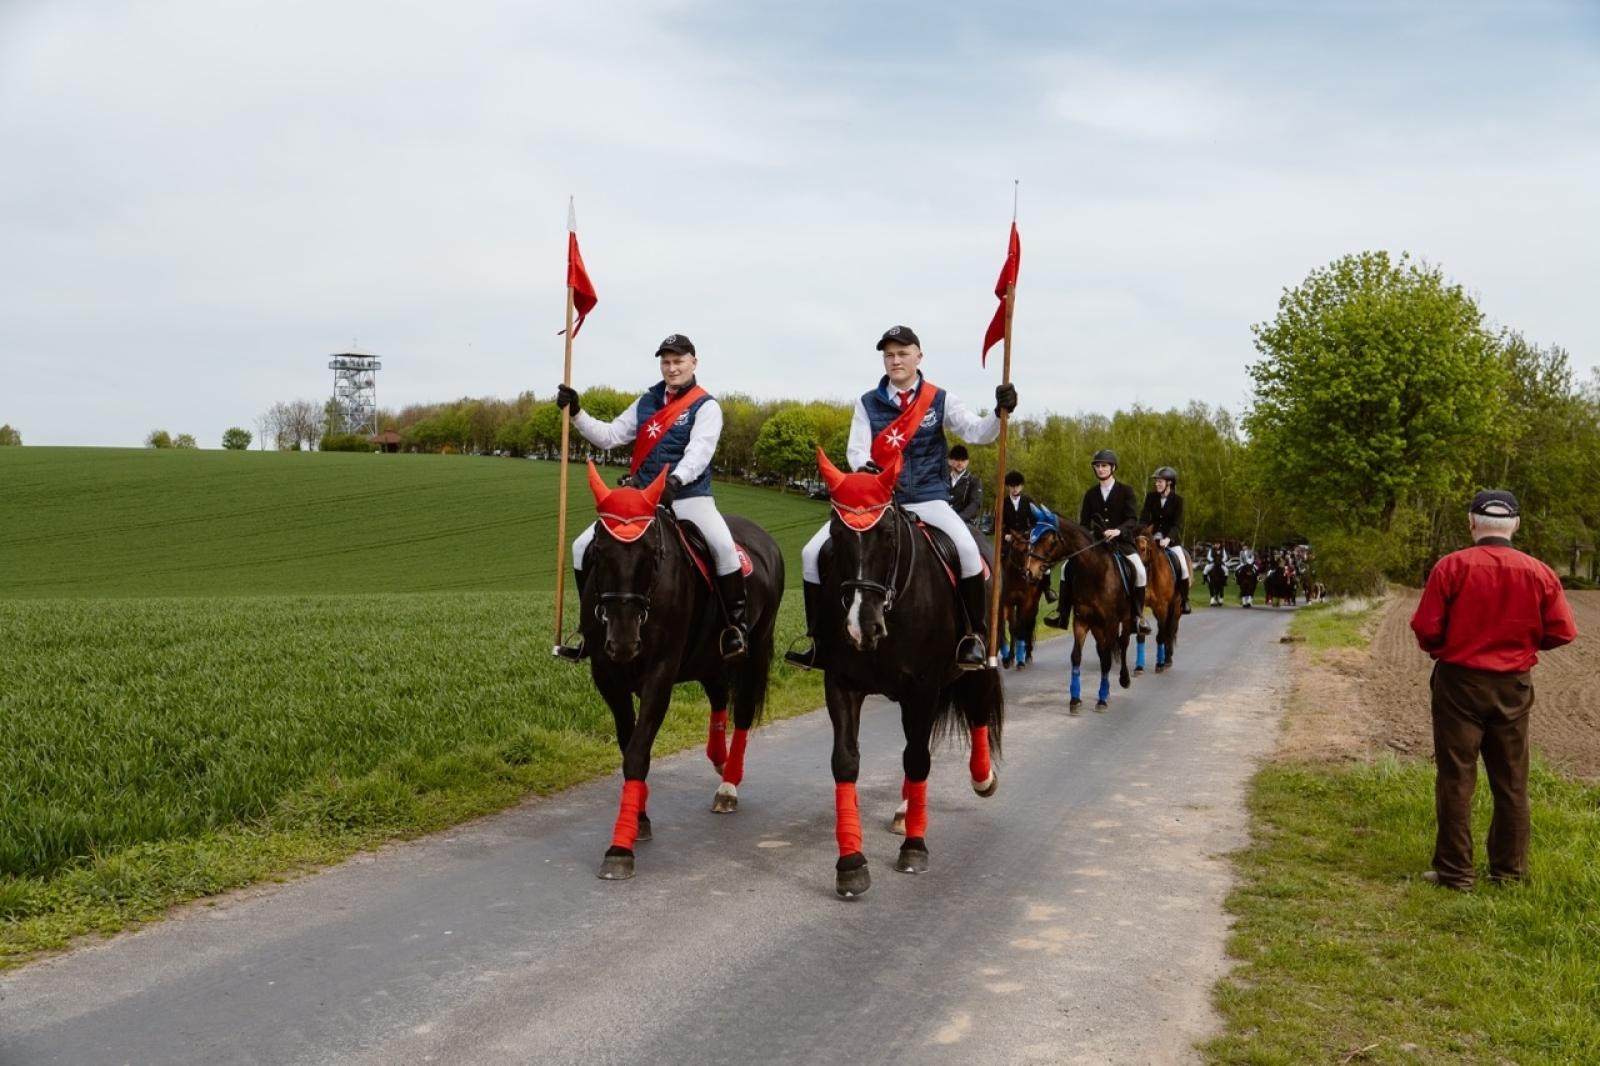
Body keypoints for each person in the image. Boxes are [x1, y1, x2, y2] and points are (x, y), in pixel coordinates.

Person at [787, 325, 1018, 670]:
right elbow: (856, 450)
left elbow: (975, 431)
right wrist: (868, 470)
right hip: (880, 500)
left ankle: (974, 636)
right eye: (889, 355)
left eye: (902, 353)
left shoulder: (940, 399)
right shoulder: (867, 403)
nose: (895, 361)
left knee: (969, 552)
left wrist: (1000, 414)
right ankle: (819, 641)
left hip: (928, 497)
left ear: (918, 356)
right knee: (810, 553)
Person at [1408, 489, 1577, 890]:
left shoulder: (1451, 567)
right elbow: (1563, 631)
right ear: (1516, 524)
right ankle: (1509, 873)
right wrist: (1523, 648)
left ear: (1471, 522)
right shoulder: (1539, 572)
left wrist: (1446, 649)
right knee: (1512, 781)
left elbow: (1426, 627)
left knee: (1456, 778)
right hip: (1513, 687)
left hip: (1458, 684)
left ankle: (1455, 873)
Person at [553, 333, 748, 662]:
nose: (672, 368)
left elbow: (700, 451)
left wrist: (675, 480)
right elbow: (611, 436)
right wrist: (577, 413)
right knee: (580, 546)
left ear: (693, 363)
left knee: (724, 548)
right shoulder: (646, 401)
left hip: (687, 496)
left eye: (678, 361)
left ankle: (735, 628)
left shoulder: (706, 405)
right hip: (641, 502)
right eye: (666, 362)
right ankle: (591, 627)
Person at [1047, 448, 1146, 633]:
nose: (1100, 469)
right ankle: (1062, 613)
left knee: (1140, 571)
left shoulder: (1126, 491)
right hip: (1096, 544)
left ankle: (1138, 616)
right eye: (1097, 466)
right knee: (1065, 569)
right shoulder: (1090, 494)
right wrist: (1091, 536)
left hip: (1122, 542)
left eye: (1104, 466)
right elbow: (1084, 523)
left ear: (1113, 468)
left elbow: (1132, 519)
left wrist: (1118, 530)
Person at [1140, 465, 1193, 614]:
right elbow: (1144, 518)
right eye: (1156, 482)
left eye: (1160, 482)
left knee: (1183, 567)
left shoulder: (1177, 500)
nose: (1157, 484)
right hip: (1151, 540)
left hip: (1171, 541)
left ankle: (1185, 599)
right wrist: (1142, 532)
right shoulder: (1151, 497)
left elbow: (1177, 524)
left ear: (1169, 483)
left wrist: (1168, 539)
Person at [1001, 470, 1056, 603]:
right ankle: (998, 586)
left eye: (1017, 486)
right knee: (997, 559)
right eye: (1012, 486)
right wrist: (1005, 536)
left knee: (1043, 562)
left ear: (1021, 487)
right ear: (1008, 487)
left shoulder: (1028, 502)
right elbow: (996, 526)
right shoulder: (1002, 503)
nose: (1014, 489)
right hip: (1009, 539)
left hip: (1027, 539)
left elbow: (1036, 523)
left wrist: (1030, 534)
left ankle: (1047, 589)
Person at [948, 445, 982, 525]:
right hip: (943, 519)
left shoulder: (974, 481)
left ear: (967, 462)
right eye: (957, 459)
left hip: (964, 522)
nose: (960, 463)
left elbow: (975, 504)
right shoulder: (943, 479)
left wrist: (958, 518)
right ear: (950, 461)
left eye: (963, 460)